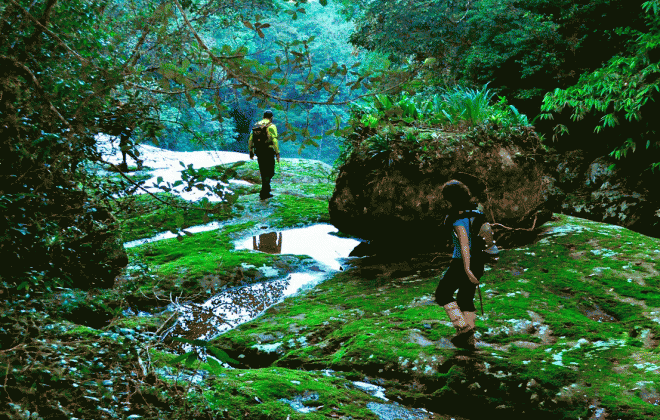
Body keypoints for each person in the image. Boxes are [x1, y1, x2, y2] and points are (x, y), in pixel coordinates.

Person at [435, 179, 485, 350]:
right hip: (479, 261)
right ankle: (469, 344)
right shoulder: (476, 212)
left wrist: (467, 268)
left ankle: (463, 328)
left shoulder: (458, 218)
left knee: (442, 293)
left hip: (462, 262)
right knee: (465, 299)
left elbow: (465, 244)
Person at [248, 110, 280, 200]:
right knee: (270, 172)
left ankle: (265, 190)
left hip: (259, 151)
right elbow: (274, 140)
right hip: (268, 151)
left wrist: (251, 151)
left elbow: (250, 139)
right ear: (271, 117)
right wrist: (277, 152)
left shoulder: (256, 125)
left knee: (263, 171)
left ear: (263, 117)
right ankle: (264, 192)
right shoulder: (271, 126)